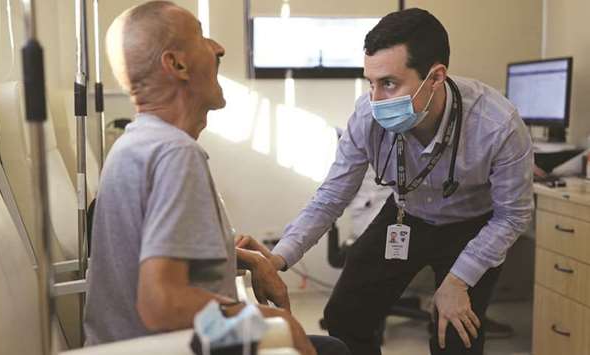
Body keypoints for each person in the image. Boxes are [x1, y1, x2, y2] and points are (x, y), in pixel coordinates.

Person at [238, 8, 534, 355]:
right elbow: (333, 194)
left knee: (455, 335)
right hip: (406, 216)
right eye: (371, 83)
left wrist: (458, 280)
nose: (375, 100)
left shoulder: (498, 125)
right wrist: (279, 257)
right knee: (344, 315)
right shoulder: (367, 115)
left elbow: (512, 216)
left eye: (389, 83)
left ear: (436, 77)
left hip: (472, 226)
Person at [82, 2, 349, 355]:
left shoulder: (135, 142)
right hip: (165, 345)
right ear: (176, 64)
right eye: (201, 37)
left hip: (129, 341)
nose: (219, 48)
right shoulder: (175, 153)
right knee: (325, 347)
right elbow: (162, 303)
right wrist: (274, 322)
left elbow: (153, 257)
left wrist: (250, 259)